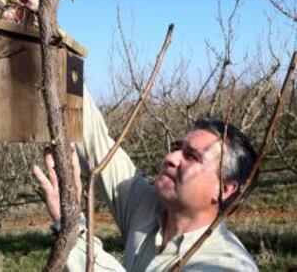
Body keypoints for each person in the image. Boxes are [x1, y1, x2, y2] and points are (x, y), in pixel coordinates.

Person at [33, 87, 259, 271]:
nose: (170, 157)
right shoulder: (147, 208)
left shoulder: (225, 265)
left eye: (191, 156)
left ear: (225, 189)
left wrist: (71, 222)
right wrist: (59, 56)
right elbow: (97, 146)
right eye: (177, 147)